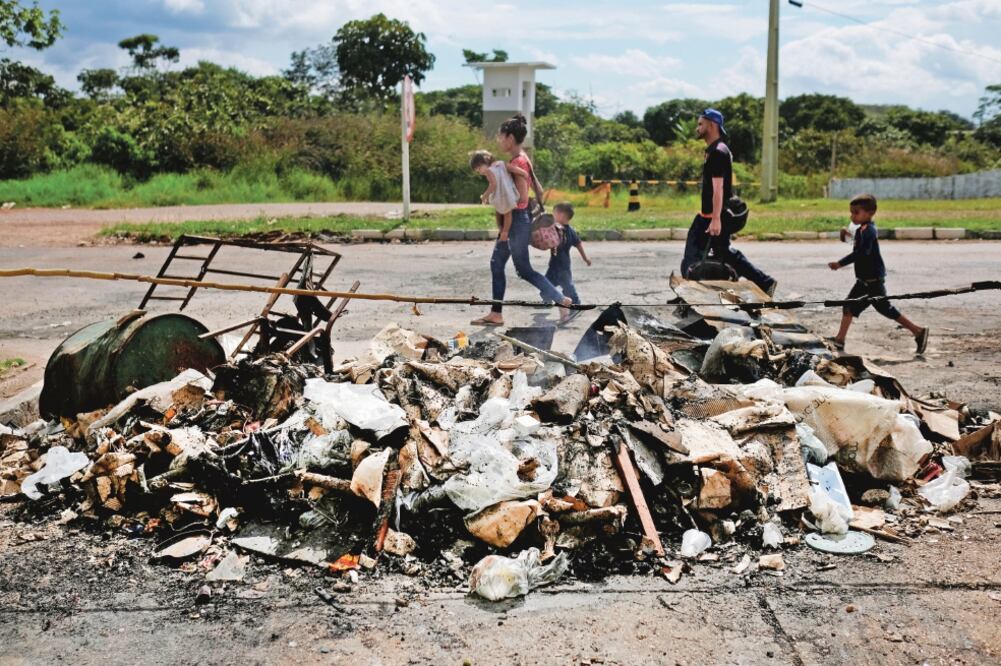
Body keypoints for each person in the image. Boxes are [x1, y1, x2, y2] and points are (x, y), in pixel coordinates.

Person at [471, 113, 572, 327]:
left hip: (515, 221)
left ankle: (560, 300)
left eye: (501, 136)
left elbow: (522, 199)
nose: (499, 141)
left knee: (513, 267)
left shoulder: (517, 162)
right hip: (518, 221)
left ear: (509, 137)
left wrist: (505, 217)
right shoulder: (523, 159)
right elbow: (539, 190)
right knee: (506, 266)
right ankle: (499, 312)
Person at [680, 108, 777, 295]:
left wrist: (715, 218)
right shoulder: (715, 149)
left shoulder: (718, 151)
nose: (697, 128)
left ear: (712, 125)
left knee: (696, 254)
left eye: (701, 124)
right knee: (721, 253)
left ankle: (689, 291)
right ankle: (764, 282)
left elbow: (719, 188)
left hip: (713, 216)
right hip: (709, 214)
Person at [828, 193, 929, 353]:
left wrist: (839, 264)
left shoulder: (868, 230)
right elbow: (860, 245)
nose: (852, 216)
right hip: (866, 280)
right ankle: (840, 340)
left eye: (856, 212)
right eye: (851, 212)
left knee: (862, 307)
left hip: (871, 281)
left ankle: (918, 331)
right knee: (857, 307)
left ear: (870, 213)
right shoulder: (864, 230)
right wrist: (848, 238)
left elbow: (861, 253)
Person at [545, 202, 591, 325]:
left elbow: (578, 244)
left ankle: (576, 304)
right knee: (544, 284)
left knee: (568, 287)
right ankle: (547, 299)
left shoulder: (567, 231)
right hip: (553, 264)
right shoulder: (559, 228)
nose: (553, 216)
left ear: (561, 215)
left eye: (554, 213)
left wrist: (585, 258)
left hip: (563, 266)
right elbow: (579, 244)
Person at [469, 149, 527, 237]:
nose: (480, 173)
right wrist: (523, 173)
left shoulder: (489, 171)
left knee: (499, 212)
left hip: (500, 196)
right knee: (508, 213)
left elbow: (493, 185)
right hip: (509, 194)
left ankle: (502, 231)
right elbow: (512, 168)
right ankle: (505, 231)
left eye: (479, 169)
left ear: (485, 161)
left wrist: (485, 196)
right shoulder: (501, 164)